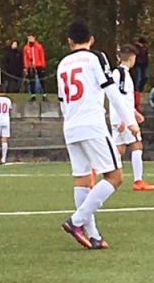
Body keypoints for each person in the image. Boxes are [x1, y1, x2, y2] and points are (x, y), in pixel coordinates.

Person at [57, 20, 139, 250]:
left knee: (82, 179)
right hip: (92, 125)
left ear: (69, 41)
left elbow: (62, 101)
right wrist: (130, 121)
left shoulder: (62, 64)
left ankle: (93, 235)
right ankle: (76, 221)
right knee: (115, 176)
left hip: (70, 126)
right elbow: (112, 91)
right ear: (91, 39)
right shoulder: (96, 58)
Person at [110, 44, 154, 191]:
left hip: (119, 117)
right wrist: (125, 119)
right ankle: (138, 180)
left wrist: (135, 112)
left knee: (119, 149)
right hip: (124, 119)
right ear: (132, 58)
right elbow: (120, 98)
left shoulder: (118, 73)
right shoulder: (122, 74)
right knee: (137, 145)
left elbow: (122, 98)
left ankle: (105, 175)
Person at [23, 34, 47, 101]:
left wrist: (43, 65)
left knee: (42, 80)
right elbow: (25, 58)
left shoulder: (38, 46)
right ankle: (33, 95)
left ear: (34, 38)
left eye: (31, 38)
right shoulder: (26, 47)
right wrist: (26, 66)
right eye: (29, 38)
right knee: (31, 81)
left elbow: (42, 56)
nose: (30, 39)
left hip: (39, 65)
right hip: (30, 66)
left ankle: (44, 95)